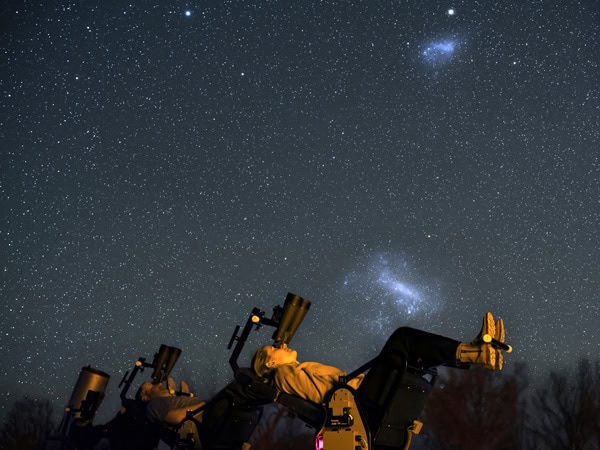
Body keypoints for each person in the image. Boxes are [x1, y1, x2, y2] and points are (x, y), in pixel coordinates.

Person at [252, 311, 508, 403]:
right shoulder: (284, 375)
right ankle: (473, 353)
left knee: (413, 359)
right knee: (403, 339)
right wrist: (356, 383)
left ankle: (476, 353)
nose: (282, 345)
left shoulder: (291, 371)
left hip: (358, 393)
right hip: (359, 398)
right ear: (270, 362)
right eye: (275, 348)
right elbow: (325, 395)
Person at [137, 381, 206, 426]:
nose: (160, 384)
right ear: (145, 398)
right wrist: (205, 403)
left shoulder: (163, 402)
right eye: (151, 387)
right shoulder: (153, 405)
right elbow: (177, 418)